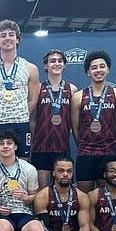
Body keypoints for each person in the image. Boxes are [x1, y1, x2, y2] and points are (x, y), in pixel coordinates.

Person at [0, 19, 39, 161]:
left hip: (21, 123)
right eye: (3, 35)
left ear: (17, 39)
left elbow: (33, 100)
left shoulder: (30, 68)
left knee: (23, 165)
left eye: (11, 34)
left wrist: (18, 114)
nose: (7, 38)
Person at [70, 50, 116, 192]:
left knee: (105, 198)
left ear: (108, 69)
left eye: (102, 66)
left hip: (108, 153)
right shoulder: (78, 96)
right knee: (84, 198)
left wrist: (108, 144)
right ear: (88, 72)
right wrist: (84, 145)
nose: (98, 70)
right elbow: (75, 129)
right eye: (94, 67)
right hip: (85, 154)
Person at [30, 49, 77, 188]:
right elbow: (32, 119)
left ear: (64, 65)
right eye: (52, 61)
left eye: (60, 61)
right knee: (42, 192)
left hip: (62, 147)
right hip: (41, 148)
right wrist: (35, 140)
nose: (56, 64)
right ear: (45, 66)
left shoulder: (72, 89)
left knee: (63, 189)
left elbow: (75, 121)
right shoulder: (38, 88)